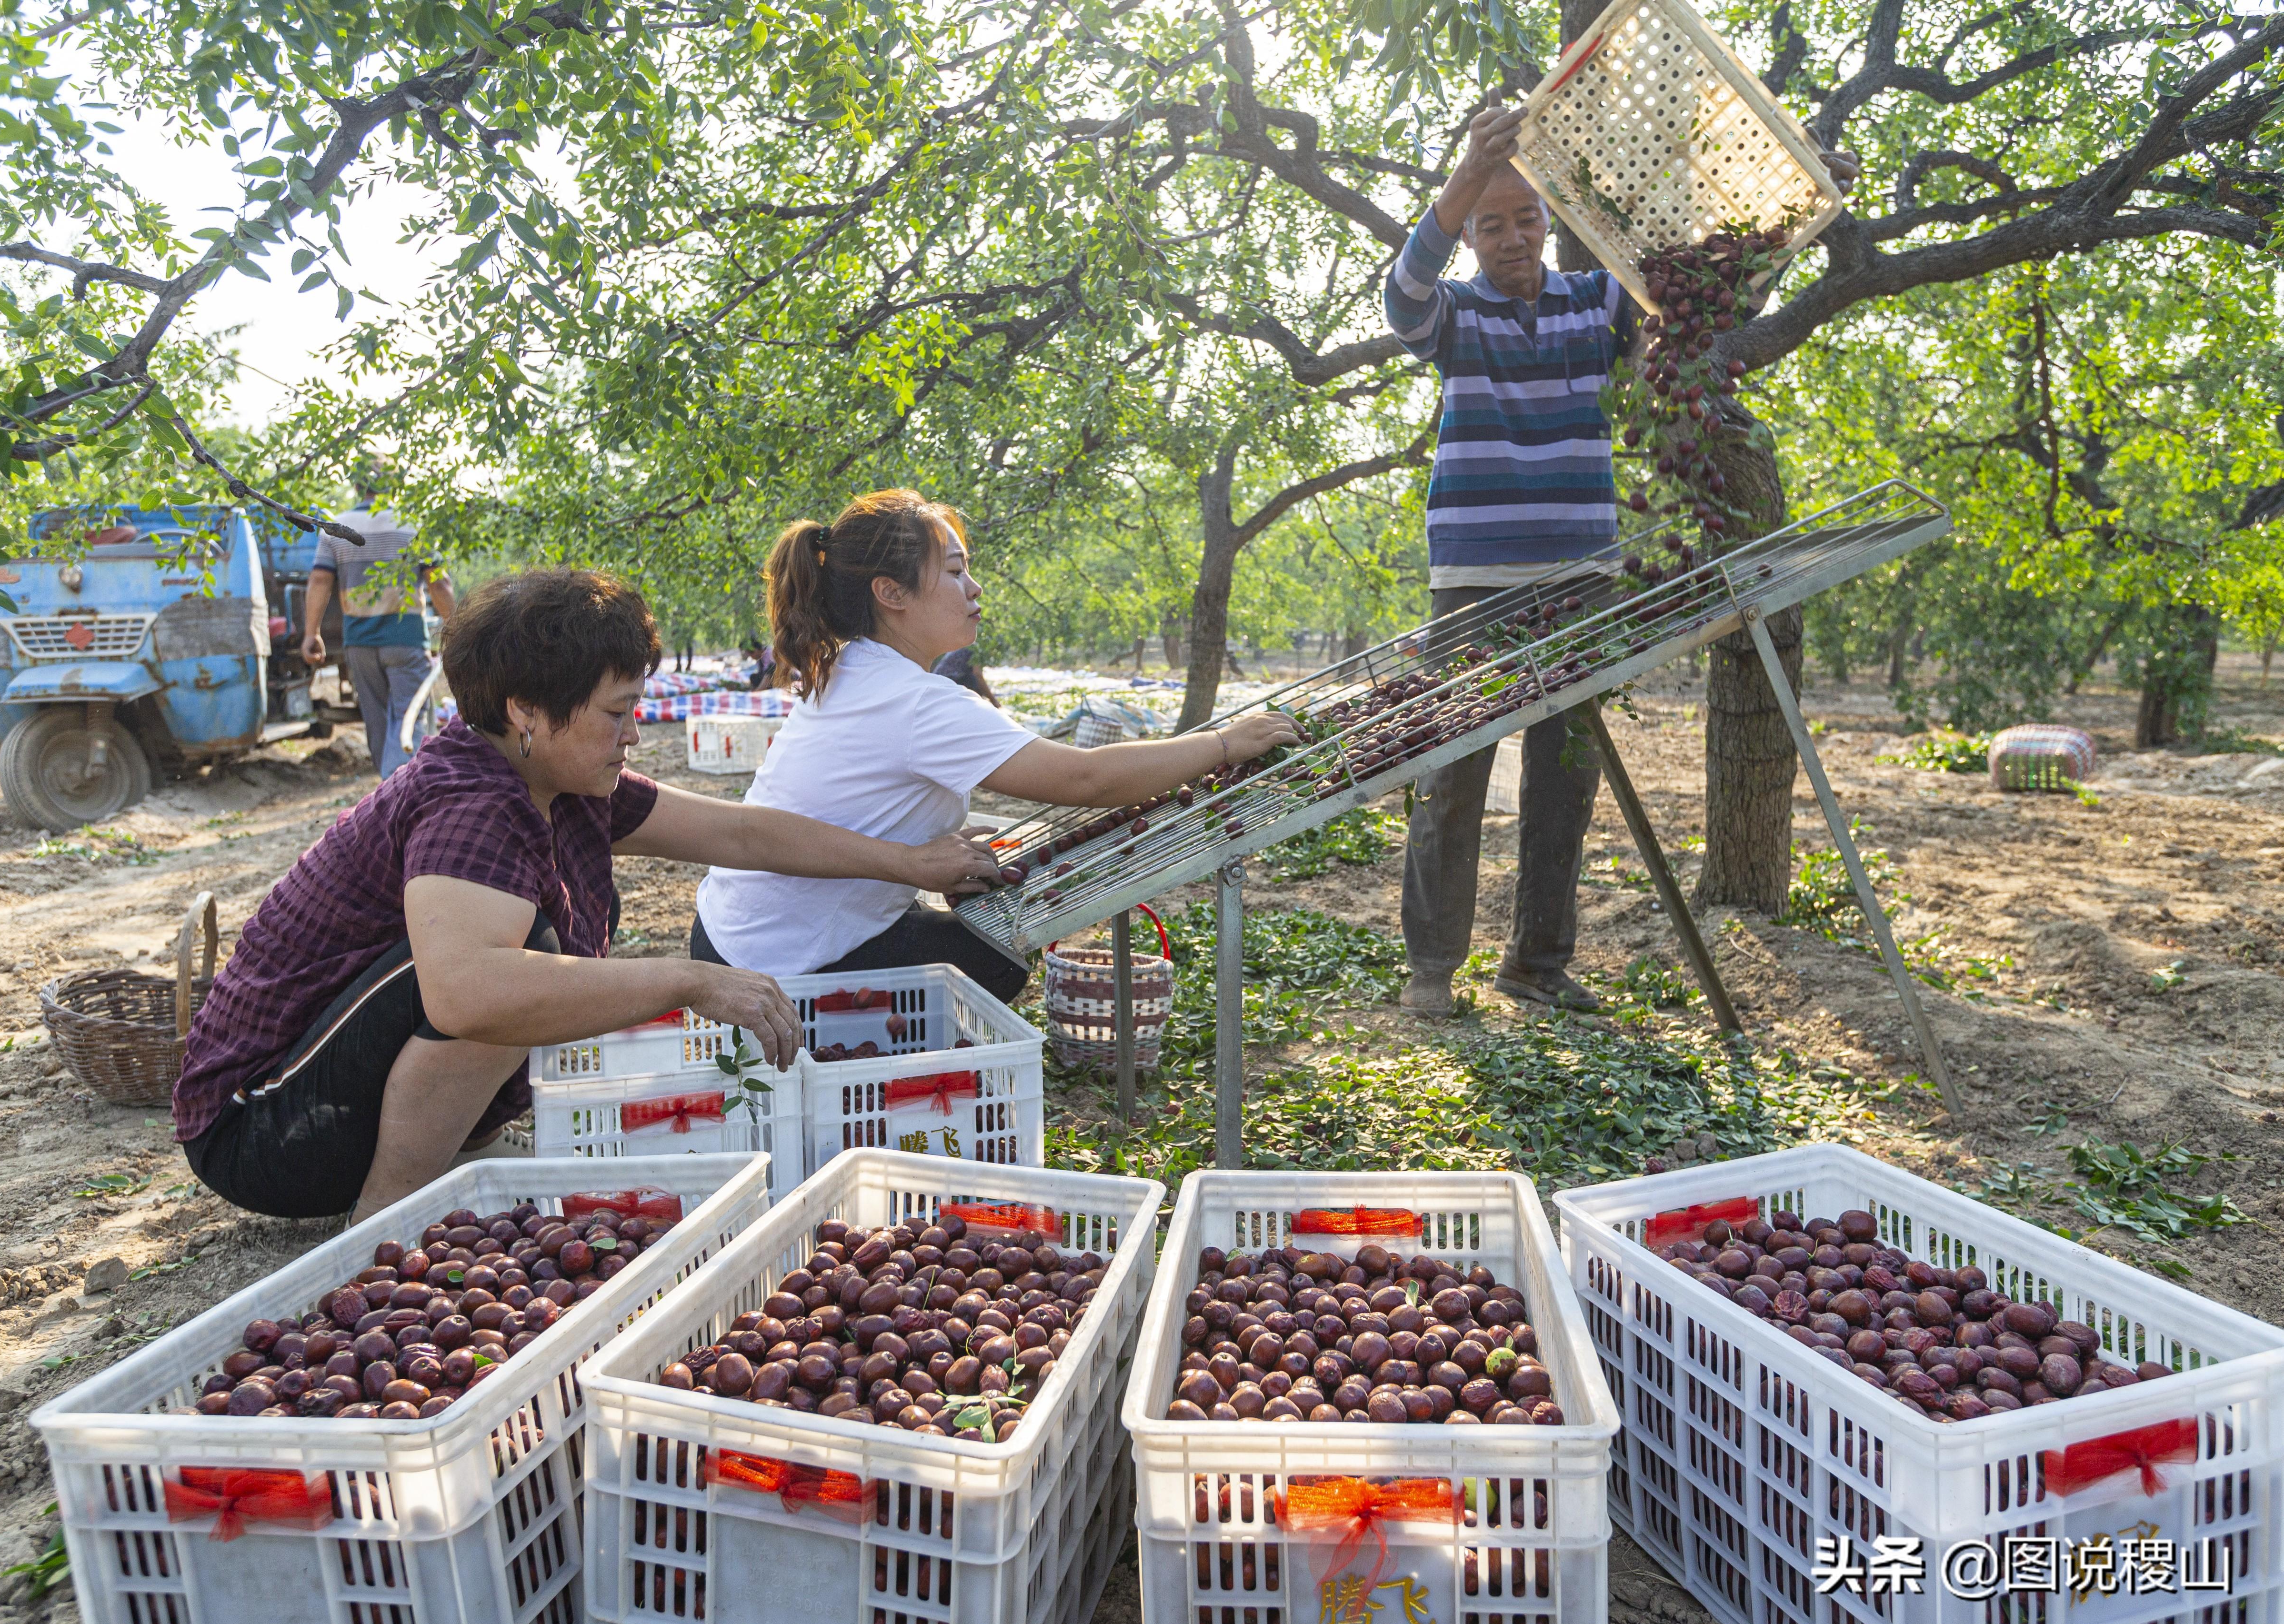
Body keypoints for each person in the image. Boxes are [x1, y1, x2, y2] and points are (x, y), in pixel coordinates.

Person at [175, 567, 999, 1222]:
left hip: (327, 1101)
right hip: (266, 1128)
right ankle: (386, 1219)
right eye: (617, 712)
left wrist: (906, 862)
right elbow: (468, 995)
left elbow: (744, 835)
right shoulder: (472, 803)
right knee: (511, 966)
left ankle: (423, 1170)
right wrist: (689, 979)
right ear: (526, 710)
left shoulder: (559, 779)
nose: (635, 733)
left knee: (524, 959)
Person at [1384, 98, 1853, 1017]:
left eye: (1526, 218)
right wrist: (1459, 181)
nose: (1512, 237)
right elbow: (1401, 293)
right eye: (1490, 224)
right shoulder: (1453, 321)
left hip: (1580, 579)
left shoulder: (1596, 305)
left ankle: (1536, 963)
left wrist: (1800, 207)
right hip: (1475, 584)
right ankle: (1431, 969)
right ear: (1469, 235)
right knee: (1452, 775)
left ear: (1548, 222)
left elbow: (1706, 293)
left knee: (1565, 772)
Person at [691, 489, 1299, 1000]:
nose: (975, 588)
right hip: (773, 968)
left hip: (729, 933)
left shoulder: (853, 670)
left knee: (967, 936)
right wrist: (1223, 743)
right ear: (891, 593)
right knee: (993, 959)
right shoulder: (915, 701)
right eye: (955, 573)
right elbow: (1084, 781)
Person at [303, 466, 455, 778]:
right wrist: (458, 626)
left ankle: (390, 788)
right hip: (405, 640)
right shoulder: (412, 526)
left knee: (377, 723)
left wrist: (311, 633)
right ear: (395, 484)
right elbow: (438, 583)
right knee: (410, 719)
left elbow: (320, 580)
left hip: (359, 643)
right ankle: (399, 791)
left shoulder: (337, 527)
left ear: (358, 485)